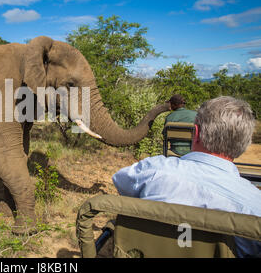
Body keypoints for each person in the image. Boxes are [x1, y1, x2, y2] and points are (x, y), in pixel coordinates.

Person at [112, 96, 261, 257]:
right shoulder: (255, 206)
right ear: (244, 145)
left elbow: (120, 182)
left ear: (195, 133)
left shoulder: (152, 170)